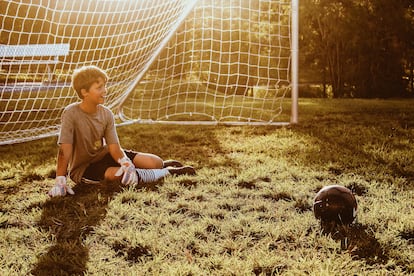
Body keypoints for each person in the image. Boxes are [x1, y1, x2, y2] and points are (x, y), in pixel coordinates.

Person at [48, 65, 195, 197]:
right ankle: (168, 172)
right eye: (99, 88)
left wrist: (126, 162)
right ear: (84, 92)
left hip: (105, 156)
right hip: (84, 168)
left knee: (155, 162)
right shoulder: (70, 113)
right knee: (121, 176)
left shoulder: (106, 114)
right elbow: (64, 151)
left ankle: (156, 167)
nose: (105, 91)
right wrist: (60, 179)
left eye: (105, 86)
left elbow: (114, 147)